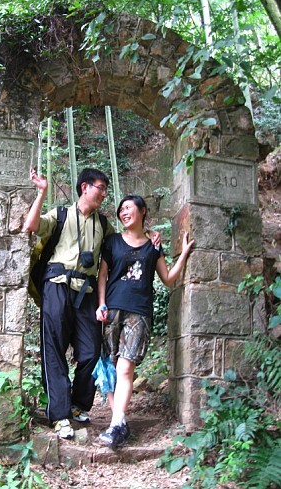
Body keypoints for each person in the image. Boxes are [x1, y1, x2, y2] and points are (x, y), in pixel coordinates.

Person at [23, 167, 115, 439]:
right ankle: (60, 414)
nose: (104, 194)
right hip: (56, 285)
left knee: (91, 351)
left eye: (105, 189)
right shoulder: (61, 215)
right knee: (54, 349)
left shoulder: (104, 225)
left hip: (86, 291)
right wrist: (42, 192)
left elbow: (119, 249)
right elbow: (32, 226)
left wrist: (149, 238)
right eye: (101, 188)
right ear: (85, 187)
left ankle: (78, 404)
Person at [96, 194, 194, 449]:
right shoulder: (112, 241)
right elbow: (103, 275)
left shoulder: (153, 246)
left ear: (143, 211)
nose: (124, 212)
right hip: (113, 310)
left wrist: (183, 254)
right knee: (112, 367)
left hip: (139, 311)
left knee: (125, 367)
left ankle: (116, 423)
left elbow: (168, 279)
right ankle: (119, 422)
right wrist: (101, 303)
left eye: (129, 208)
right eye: (121, 209)